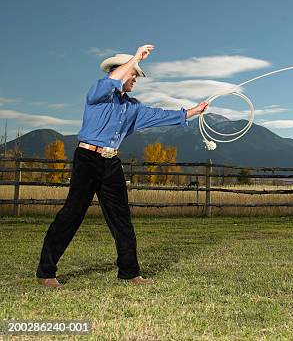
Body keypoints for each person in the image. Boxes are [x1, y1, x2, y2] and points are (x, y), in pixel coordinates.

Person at [36, 44, 208, 288]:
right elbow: (111, 83)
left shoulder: (133, 107)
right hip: (87, 159)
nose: (135, 80)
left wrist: (194, 111)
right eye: (134, 75)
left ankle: (129, 272)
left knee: (121, 219)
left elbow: (161, 115)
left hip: (111, 163)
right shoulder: (97, 93)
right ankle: (46, 272)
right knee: (72, 214)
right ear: (121, 72)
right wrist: (136, 57)